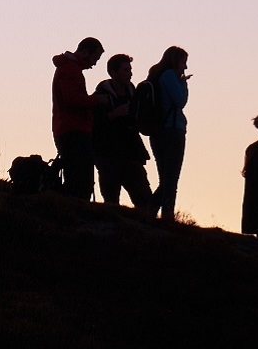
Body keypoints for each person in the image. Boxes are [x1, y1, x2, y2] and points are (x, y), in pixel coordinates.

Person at [92, 54, 152, 208]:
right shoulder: (100, 96)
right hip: (108, 155)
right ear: (113, 72)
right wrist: (113, 114)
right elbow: (92, 124)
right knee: (111, 202)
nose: (130, 73)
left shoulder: (134, 94)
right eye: (126, 70)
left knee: (145, 201)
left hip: (131, 154)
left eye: (130, 69)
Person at [51, 37, 106, 200]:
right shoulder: (70, 70)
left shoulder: (68, 68)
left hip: (69, 129)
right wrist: (97, 100)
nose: (95, 63)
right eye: (95, 58)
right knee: (80, 179)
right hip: (73, 130)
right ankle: (76, 211)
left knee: (76, 176)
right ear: (85, 53)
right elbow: (72, 99)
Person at [144, 46, 190, 220]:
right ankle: (163, 214)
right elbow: (180, 101)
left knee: (166, 177)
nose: (185, 67)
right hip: (172, 130)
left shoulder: (157, 75)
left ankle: (152, 213)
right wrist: (183, 83)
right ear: (176, 61)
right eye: (183, 62)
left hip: (158, 131)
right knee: (171, 178)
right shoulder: (170, 76)